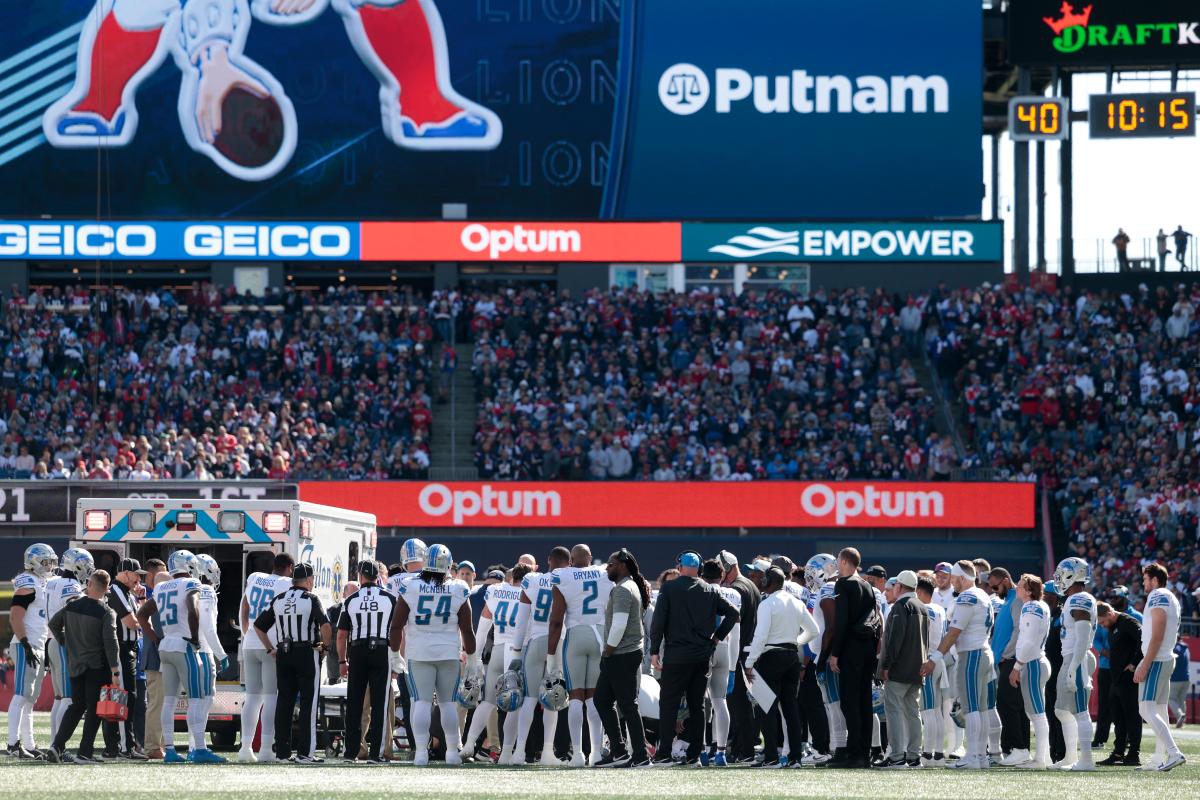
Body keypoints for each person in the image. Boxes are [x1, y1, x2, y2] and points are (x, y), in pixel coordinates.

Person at [648, 551, 739, 766]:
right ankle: (695, 754)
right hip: (701, 656)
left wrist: (654, 650)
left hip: (677, 655)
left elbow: (658, 622)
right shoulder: (708, 589)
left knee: (669, 704)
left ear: (680, 567)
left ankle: (665, 753)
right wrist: (716, 639)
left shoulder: (670, 588)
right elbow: (734, 614)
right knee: (697, 706)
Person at [389, 544, 475, 766]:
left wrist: (394, 653)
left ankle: (420, 754)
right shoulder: (458, 588)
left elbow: (396, 626)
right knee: (448, 704)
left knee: (422, 703)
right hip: (448, 653)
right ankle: (452, 753)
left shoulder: (411, 586)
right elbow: (467, 629)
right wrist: (473, 659)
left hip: (420, 654)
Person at [136, 550, 221, 763]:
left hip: (165, 647)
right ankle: (199, 749)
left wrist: (156, 638)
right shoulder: (191, 584)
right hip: (184, 646)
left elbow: (142, 615)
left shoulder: (162, 586)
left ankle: (171, 750)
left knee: (169, 701)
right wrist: (194, 637)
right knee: (196, 698)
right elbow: (193, 609)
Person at [253, 563, 332, 764]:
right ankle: (305, 753)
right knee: (308, 703)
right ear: (308, 580)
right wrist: (325, 647)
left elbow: (259, 626)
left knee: (284, 703)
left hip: (284, 654)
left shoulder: (279, 599)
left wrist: (271, 648)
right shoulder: (311, 598)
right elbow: (325, 625)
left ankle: (282, 753)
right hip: (306, 653)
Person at [545, 544, 614, 767]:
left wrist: (551, 653)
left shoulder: (562, 576)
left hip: (575, 634)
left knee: (575, 695)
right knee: (594, 696)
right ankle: (595, 753)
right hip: (600, 636)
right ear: (590, 557)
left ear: (571, 560)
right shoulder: (605, 573)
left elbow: (556, 620)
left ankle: (577, 754)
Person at [921, 560, 993, 770]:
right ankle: (979, 756)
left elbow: (954, 632)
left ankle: (972, 756)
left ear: (962, 577)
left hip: (971, 654)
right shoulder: (982, 595)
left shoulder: (968, 596)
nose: (952, 583)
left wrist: (935, 658)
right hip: (982, 651)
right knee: (979, 708)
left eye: (953, 579)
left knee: (971, 709)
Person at [44, 570, 121, 764]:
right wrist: (115, 670)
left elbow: (53, 624)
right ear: (106, 588)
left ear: (90, 584)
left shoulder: (72, 606)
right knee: (94, 710)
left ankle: (57, 746)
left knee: (76, 706)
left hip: (75, 664)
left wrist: (65, 642)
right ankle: (85, 752)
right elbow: (111, 642)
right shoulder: (106, 611)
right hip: (97, 666)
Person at [743, 566, 817, 768]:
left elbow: (760, 637)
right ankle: (795, 758)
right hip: (792, 657)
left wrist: (749, 663)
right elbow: (814, 630)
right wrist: (795, 642)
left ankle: (771, 757)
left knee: (767, 709)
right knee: (791, 709)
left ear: (768, 582)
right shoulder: (796, 602)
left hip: (770, 658)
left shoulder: (767, 604)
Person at [459, 563, 531, 761]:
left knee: (488, 702)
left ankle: (468, 744)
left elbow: (482, 629)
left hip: (498, 649)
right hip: (518, 651)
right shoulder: (529, 593)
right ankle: (507, 751)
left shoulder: (496, 591)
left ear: (511, 578)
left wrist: (475, 656)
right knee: (515, 704)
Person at [508, 545, 570, 765]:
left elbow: (521, 620)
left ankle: (519, 752)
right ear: (568, 563)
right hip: (559, 642)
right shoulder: (569, 579)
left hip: (535, 642)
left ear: (548, 561)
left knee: (530, 698)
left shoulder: (531, 580)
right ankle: (546, 752)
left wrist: (516, 650)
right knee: (553, 699)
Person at [591, 549, 652, 768]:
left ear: (623, 566)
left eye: (611, 564)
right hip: (623, 652)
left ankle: (641, 756)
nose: (607, 567)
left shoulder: (624, 589)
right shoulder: (627, 586)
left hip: (621, 653)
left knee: (627, 705)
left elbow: (619, 625)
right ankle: (619, 751)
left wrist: (607, 651)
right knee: (602, 700)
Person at [337, 560, 397, 764]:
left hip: (357, 651)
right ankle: (376, 754)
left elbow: (341, 634)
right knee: (380, 704)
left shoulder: (351, 599)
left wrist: (341, 660)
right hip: (381, 650)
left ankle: (350, 752)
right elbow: (398, 631)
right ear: (377, 577)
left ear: (361, 576)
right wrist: (397, 658)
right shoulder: (390, 598)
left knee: (354, 703)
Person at [825, 547, 879, 769]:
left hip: (851, 649)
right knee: (865, 702)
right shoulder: (868, 585)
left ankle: (854, 752)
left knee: (850, 702)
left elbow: (841, 622)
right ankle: (864, 752)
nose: (837, 564)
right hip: (868, 649)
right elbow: (877, 619)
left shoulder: (844, 584)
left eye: (838, 560)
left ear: (846, 562)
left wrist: (835, 653)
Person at [238, 552, 295, 762]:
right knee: (271, 697)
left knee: (252, 697)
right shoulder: (287, 583)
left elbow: (244, 606)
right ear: (289, 567)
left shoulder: (254, 577)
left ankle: (245, 748)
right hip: (270, 644)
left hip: (251, 641)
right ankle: (265, 749)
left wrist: (246, 632)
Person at [1134, 562, 1186, 771]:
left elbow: (1158, 632)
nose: (1143, 582)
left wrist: (1145, 664)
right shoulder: (1168, 596)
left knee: (1145, 708)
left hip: (1157, 659)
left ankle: (1174, 753)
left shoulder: (1158, 595)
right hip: (1162, 657)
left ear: (1155, 580)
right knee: (1160, 709)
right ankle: (1158, 758)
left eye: (1145, 579)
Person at [8, 543, 56, 758]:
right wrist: (25, 642)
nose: (50, 565)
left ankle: (28, 744)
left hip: (37, 643)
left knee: (30, 699)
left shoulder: (41, 583)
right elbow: (15, 616)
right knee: (20, 695)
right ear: (34, 561)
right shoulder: (28, 583)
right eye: (46, 561)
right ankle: (12, 744)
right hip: (25, 644)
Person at [1052, 556, 1098, 771]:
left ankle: (1087, 760)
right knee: (1061, 709)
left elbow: (1083, 636)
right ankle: (1070, 757)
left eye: (1062, 575)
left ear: (1072, 575)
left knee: (1081, 711)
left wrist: (1074, 667)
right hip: (1071, 657)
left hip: (1077, 658)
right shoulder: (1074, 599)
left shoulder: (1081, 598)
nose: (1059, 579)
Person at [877, 570, 927, 769]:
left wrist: (886, 665)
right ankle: (914, 756)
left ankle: (897, 756)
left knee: (894, 712)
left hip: (899, 669)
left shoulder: (901, 606)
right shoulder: (922, 606)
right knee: (913, 713)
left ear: (899, 586)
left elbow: (893, 640)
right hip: (916, 669)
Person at [45, 549, 94, 744]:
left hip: (52, 641)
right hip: (65, 641)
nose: (88, 569)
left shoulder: (52, 582)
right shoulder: (72, 585)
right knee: (68, 697)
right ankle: (58, 746)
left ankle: (53, 744)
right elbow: (74, 611)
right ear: (78, 565)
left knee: (59, 698)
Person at [696, 559, 740, 767]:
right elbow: (736, 632)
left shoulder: (701, 591)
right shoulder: (734, 594)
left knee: (702, 702)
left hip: (705, 647)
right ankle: (721, 751)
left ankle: (704, 749)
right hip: (725, 648)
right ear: (722, 575)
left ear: (702, 575)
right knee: (720, 701)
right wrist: (732, 666)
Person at [718, 550, 760, 764]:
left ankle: (743, 749)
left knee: (737, 702)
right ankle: (745, 747)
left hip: (739, 650)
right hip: (749, 649)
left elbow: (734, 625)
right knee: (742, 703)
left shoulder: (737, 589)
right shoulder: (750, 585)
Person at [104, 557, 147, 760]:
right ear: (126, 573)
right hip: (121, 649)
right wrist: (144, 624)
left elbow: (139, 618)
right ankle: (123, 747)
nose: (139, 579)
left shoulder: (128, 593)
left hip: (130, 649)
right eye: (136, 574)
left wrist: (141, 602)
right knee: (123, 697)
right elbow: (132, 622)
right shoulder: (116, 591)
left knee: (130, 696)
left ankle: (123, 745)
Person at [1009, 574, 1051, 769]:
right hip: (1035, 661)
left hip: (1032, 662)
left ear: (1029, 591)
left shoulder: (1032, 606)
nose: (1017, 587)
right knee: (1034, 711)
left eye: (1021, 585)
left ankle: (1040, 759)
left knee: (1037, 713)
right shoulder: (1037, 606)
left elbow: (1029, 640)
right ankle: (1044, 756)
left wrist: (1017, 666)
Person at [988, 568, 1028, 765]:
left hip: (1011, 659)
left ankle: (1018, 748)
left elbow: (1018, 631)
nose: (994, 590)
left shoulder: (1017, 600)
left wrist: (1007, 654)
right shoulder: (1008, 600)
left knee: (1008, 704)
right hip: (1007, 660)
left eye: (996, 586)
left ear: (1005, 580)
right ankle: (1018, 748)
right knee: (1011, 705)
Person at [1096, 601, 1142, 767]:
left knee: (1132, 716)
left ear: (1109, 614)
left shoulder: (1128, 622)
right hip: (1116, 678)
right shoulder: (1112, 626)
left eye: (1102, 622)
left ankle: (1134, 754)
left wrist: (1135, 663)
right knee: (1118, 717)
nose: (1102, 626)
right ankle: (1118, 752)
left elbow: (1144, 639)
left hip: (1128, 678)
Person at [914, 576, 947, 767]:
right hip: (938, 660)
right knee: (936, 710)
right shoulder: (940, 609)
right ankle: (939, 754)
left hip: (926, 662)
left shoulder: (923, 609)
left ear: (919, 592)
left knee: (928, 711)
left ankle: (927, 754)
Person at [140, 559, 167, 759]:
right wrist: (156, 639)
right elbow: (142, 616)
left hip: (161, 654)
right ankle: (152, 746)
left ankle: (161, 745)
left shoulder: (161, 593)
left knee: (164, 702)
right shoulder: (154, 595)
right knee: (157, 702)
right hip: (155, 655)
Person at [1043, 580, 1066, 763]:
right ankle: (1053, 751)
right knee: (1050, 712)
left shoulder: (1062, 615)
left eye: (1047, 593)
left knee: (1060, 712)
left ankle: (1062, 751)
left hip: (1059, 669)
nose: (1043, 596)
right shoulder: (1047, 614)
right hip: (1048, 671)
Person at [325, 582, 358, 685]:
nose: (354, 597)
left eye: (357, 593)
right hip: (335, 658)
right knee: (334, 686)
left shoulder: (361, 609)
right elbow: (327, 632)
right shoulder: (332, 611)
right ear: (343, 594)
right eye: (352, 594)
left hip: (355, 656)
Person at [1169, 639, 1189, 728]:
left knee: (1171, 699)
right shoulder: (1186, 648)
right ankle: (1182, 721)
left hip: (1176, 679)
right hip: (1186, 678)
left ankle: (1180, 715)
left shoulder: (1175, 648)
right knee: (1181, 700)